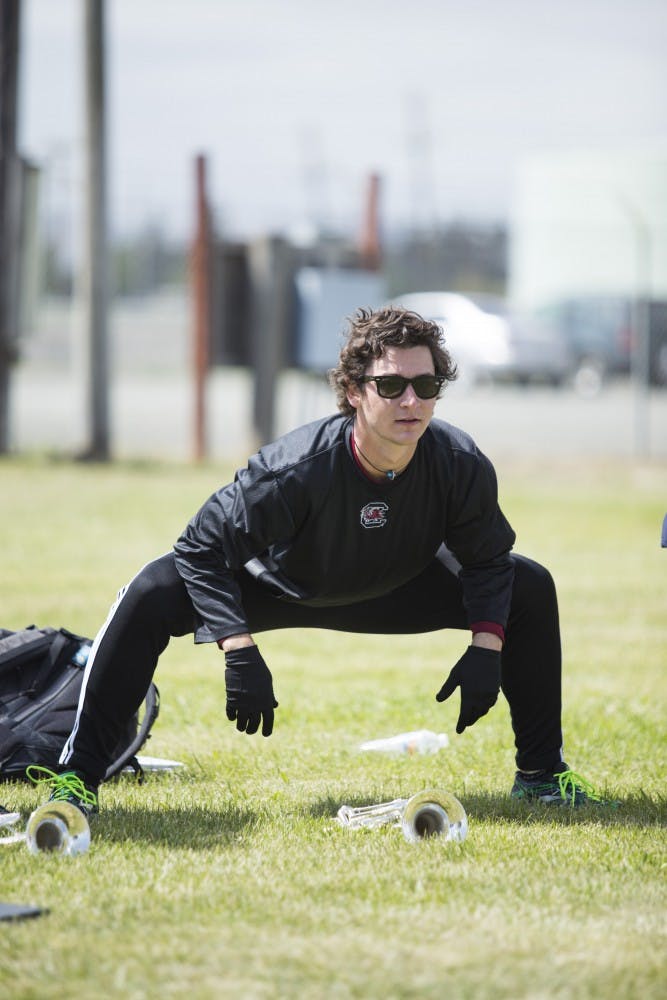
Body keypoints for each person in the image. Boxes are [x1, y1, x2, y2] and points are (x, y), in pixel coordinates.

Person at [34, 306, 604, 817]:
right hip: (277, 585)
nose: (411, 401)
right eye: (392, 385)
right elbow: (198, 550)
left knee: (529, 584)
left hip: (396, 583)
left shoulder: (457, 461)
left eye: (426, 384)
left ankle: (541, 776)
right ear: (355, 391)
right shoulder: (293, 470)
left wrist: (487, 644)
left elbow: (487, 560)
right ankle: (77, 778)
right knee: (151, 591)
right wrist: (238, 648)